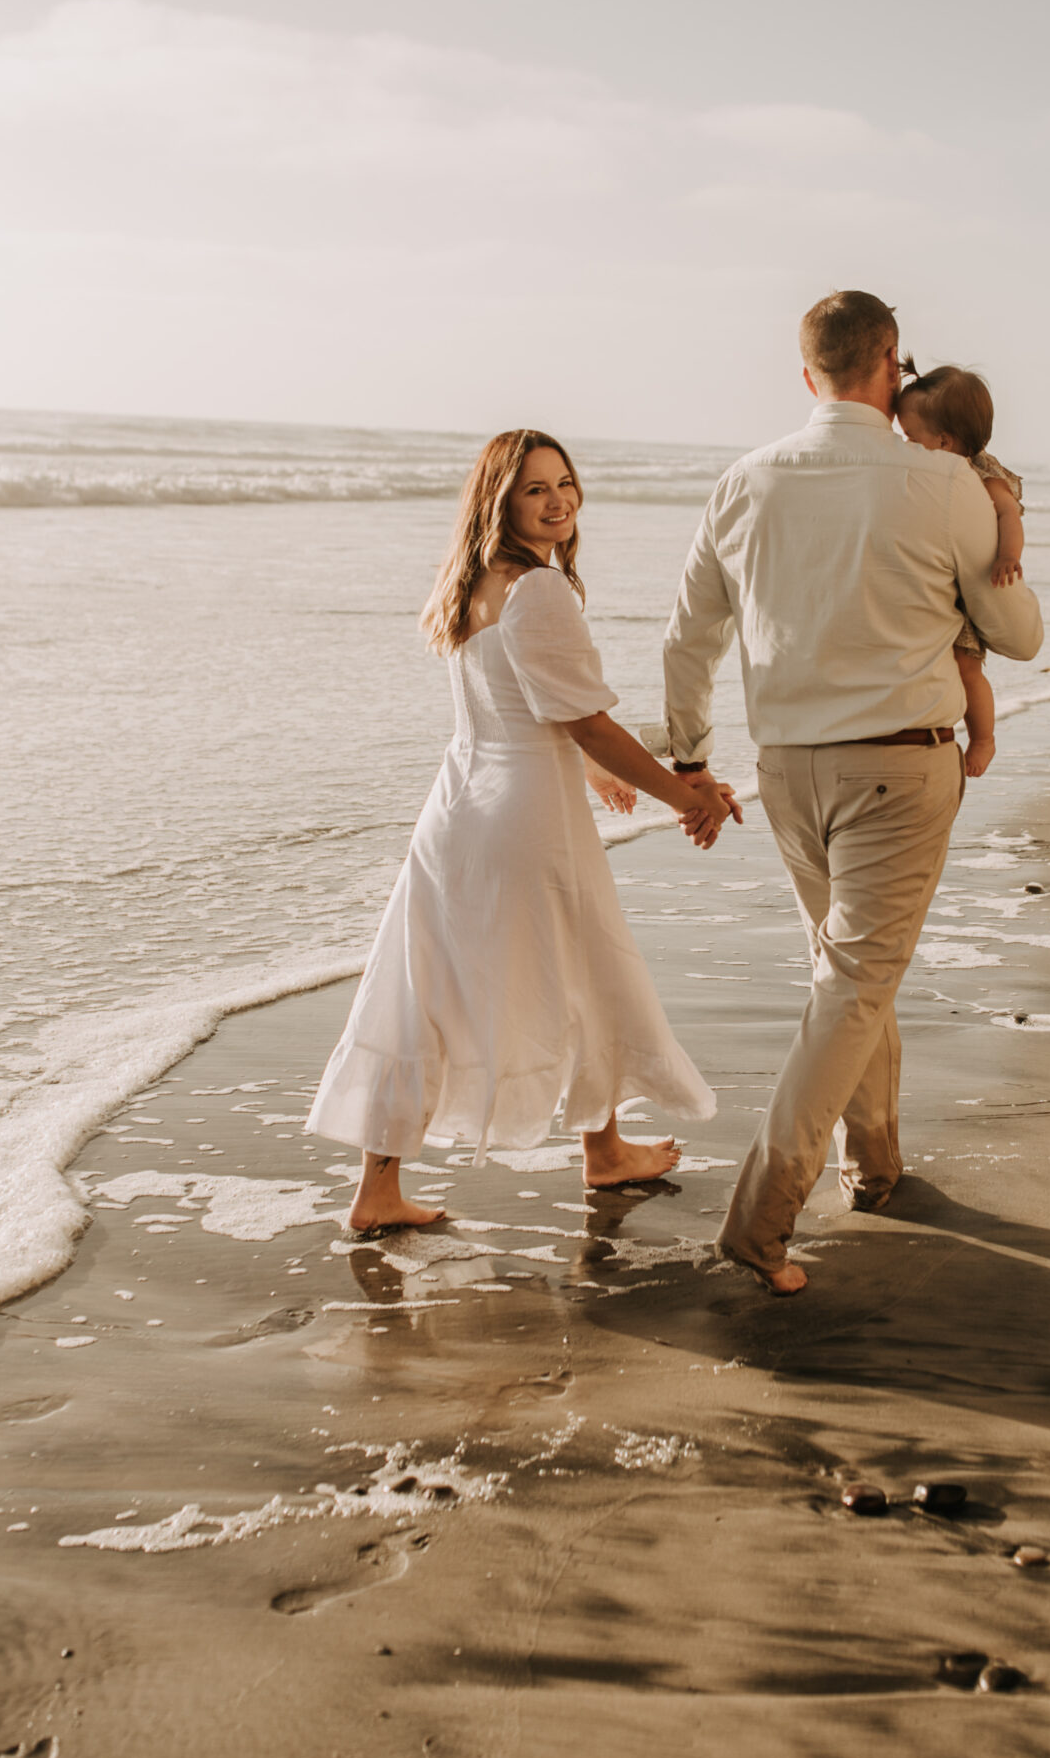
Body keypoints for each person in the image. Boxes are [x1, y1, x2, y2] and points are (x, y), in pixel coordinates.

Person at [662, 291, 1044, 1294]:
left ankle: (873, 1168)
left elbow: (687, 636)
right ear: (890, 367)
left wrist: (692, 763)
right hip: (897, 765)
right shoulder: (945, 480)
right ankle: (761, 1217)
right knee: (854, 984)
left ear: (808, 377)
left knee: (847, 975)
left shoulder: (744, 480)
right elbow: (1018, 635)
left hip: (786, 767)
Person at [308, 429, 739, 1235]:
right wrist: (683, 796)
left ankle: (380, 1188)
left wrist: (602, 774)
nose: (559, 501)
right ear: (501, 501)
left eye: (565, 483)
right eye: (536, 489)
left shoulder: (471, 582)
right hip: (525, 820)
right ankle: (602, 1151)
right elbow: (586, 723)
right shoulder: (540, 591)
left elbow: (520, 711)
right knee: (584, 973)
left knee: (420, 989)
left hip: (458, 809)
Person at [895, 362, 1025, 779]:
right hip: (947, 581)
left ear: (945, 441)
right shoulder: (936, 472)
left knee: (968, 668)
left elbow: (1009, 516)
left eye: (910, 438)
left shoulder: (984, 478)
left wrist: (1008, 556)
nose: (904, 445)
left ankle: (983, 738)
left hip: (979, 583)